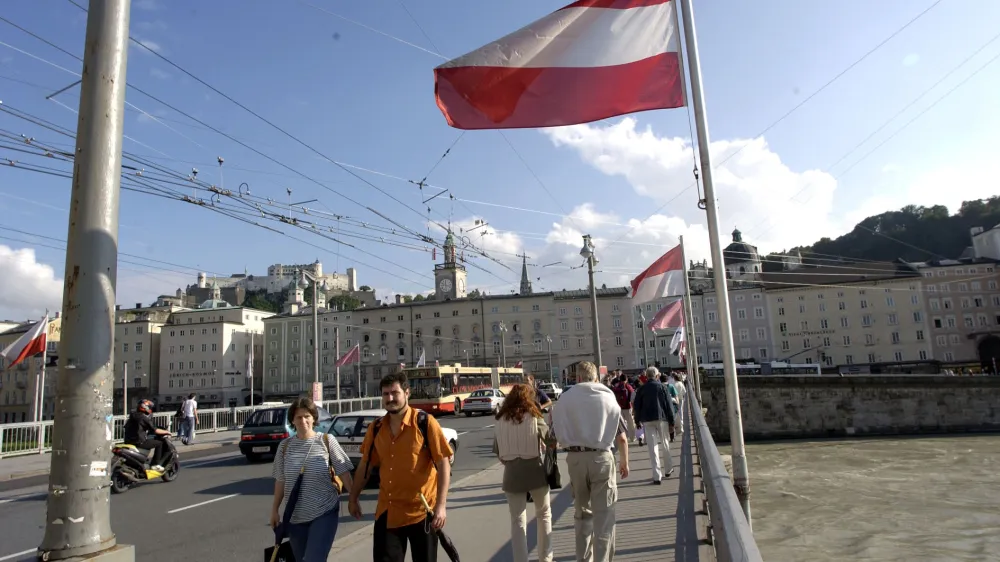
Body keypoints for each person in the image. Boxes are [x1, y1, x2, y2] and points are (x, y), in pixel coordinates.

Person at [349, 373, 454, 562]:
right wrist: (353, 498)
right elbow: (365, 465)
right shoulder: (376, 428)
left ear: (407, 393)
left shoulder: (425, 423)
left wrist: (441, 506)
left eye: (395, 393)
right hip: (388, 511)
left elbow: (443, 463)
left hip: (422, 512)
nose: (390, 398)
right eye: (385, 394)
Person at [551, 361, 630, 562]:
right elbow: (622, 437)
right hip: (601, 458)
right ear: (596, 378)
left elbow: (553, 434)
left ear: (577, 378)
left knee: (582, 515)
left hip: (575, 460)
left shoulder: (565, 399)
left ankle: (583, 558)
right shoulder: (607, 397)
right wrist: (624, 461)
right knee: (604, 517)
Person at [270, 397, 355, 562]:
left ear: (314, 418)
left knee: (313, 559)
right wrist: (274, 510)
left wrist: (353, 499)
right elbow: (280, 481)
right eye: (298, 417)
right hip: (295, 517)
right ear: (292, 420)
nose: (303, 421)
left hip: (324, 512)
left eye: (307, 416)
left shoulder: (326, 441)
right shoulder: (284, 447)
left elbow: (343, 472)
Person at [493, 384, 556, 562]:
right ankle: (546, 557)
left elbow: (498, 451)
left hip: (512, 474)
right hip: (535, 471)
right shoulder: (534, 416)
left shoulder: (500, 419)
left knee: (517, 520)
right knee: (544, 514)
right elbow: (551, 441)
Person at [633, 368, 676, 484]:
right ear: (657, 376)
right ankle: (668, 469)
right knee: (665, 444)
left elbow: (637, 406)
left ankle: (657, 476)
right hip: (662, 418)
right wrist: (672, 421)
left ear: (647, 376)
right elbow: (669, 405)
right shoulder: (662, 387)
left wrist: (637, 421)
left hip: (647, 420)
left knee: (652, 448)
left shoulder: (641, 389)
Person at [123, 399, 171, 471]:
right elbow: (155, 430)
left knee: (150, 441)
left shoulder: (132, 416)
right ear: (145, 407)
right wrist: (167, 432)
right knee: (160, 443)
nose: (150, 409)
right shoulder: (143, 417)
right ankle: (155, 464)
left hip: (128, 441)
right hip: (139, 441)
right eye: (149, 407)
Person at [612, 374, 636, 443]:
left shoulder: (616, 386)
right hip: (628, 407)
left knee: (621, 424)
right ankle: (632, 437)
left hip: (619, 407)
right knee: (630, 423)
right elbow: (632, 396)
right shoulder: (628, 386)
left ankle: (624, 437)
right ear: (626, 379)